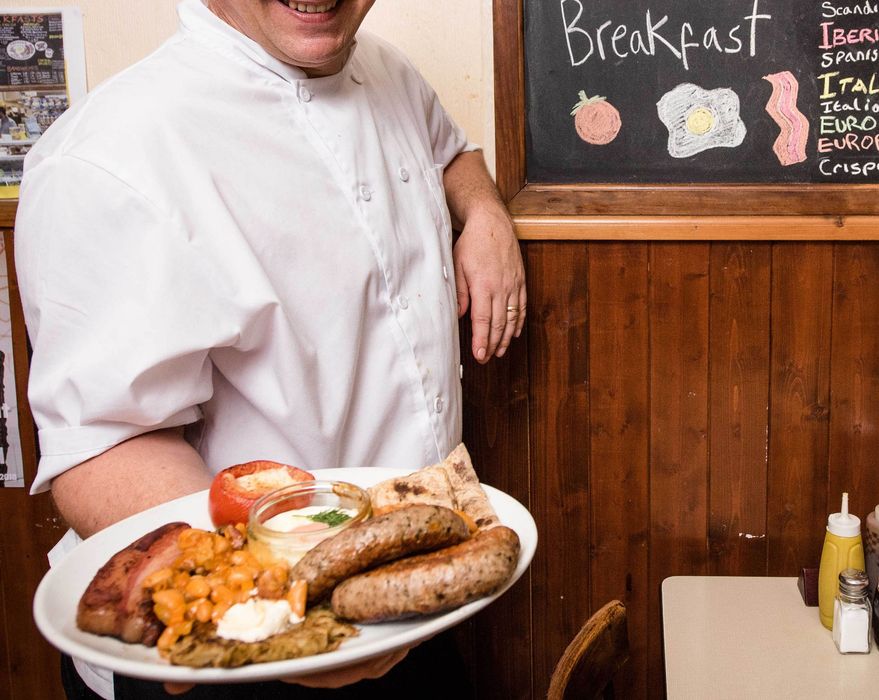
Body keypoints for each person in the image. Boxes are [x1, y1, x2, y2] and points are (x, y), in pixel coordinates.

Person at [14, 0, 525, 698]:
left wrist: (486, 215)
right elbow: (106, 451)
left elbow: (447, 149)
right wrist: (285, 616)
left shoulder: (383, 66)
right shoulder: (109, 155)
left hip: (401, 599)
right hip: (240, 644)